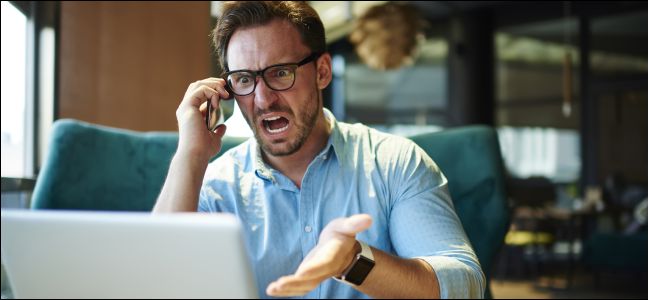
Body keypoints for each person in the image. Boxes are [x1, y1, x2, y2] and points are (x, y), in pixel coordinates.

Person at [153, 1, 484, 298]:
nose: (263, 99)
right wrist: (190, 155)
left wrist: (354, 259)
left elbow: (464, 285)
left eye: (281, 73)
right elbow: (155, 283)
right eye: (243, 80)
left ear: (322, 71)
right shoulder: (216, 186)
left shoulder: (395, 163)